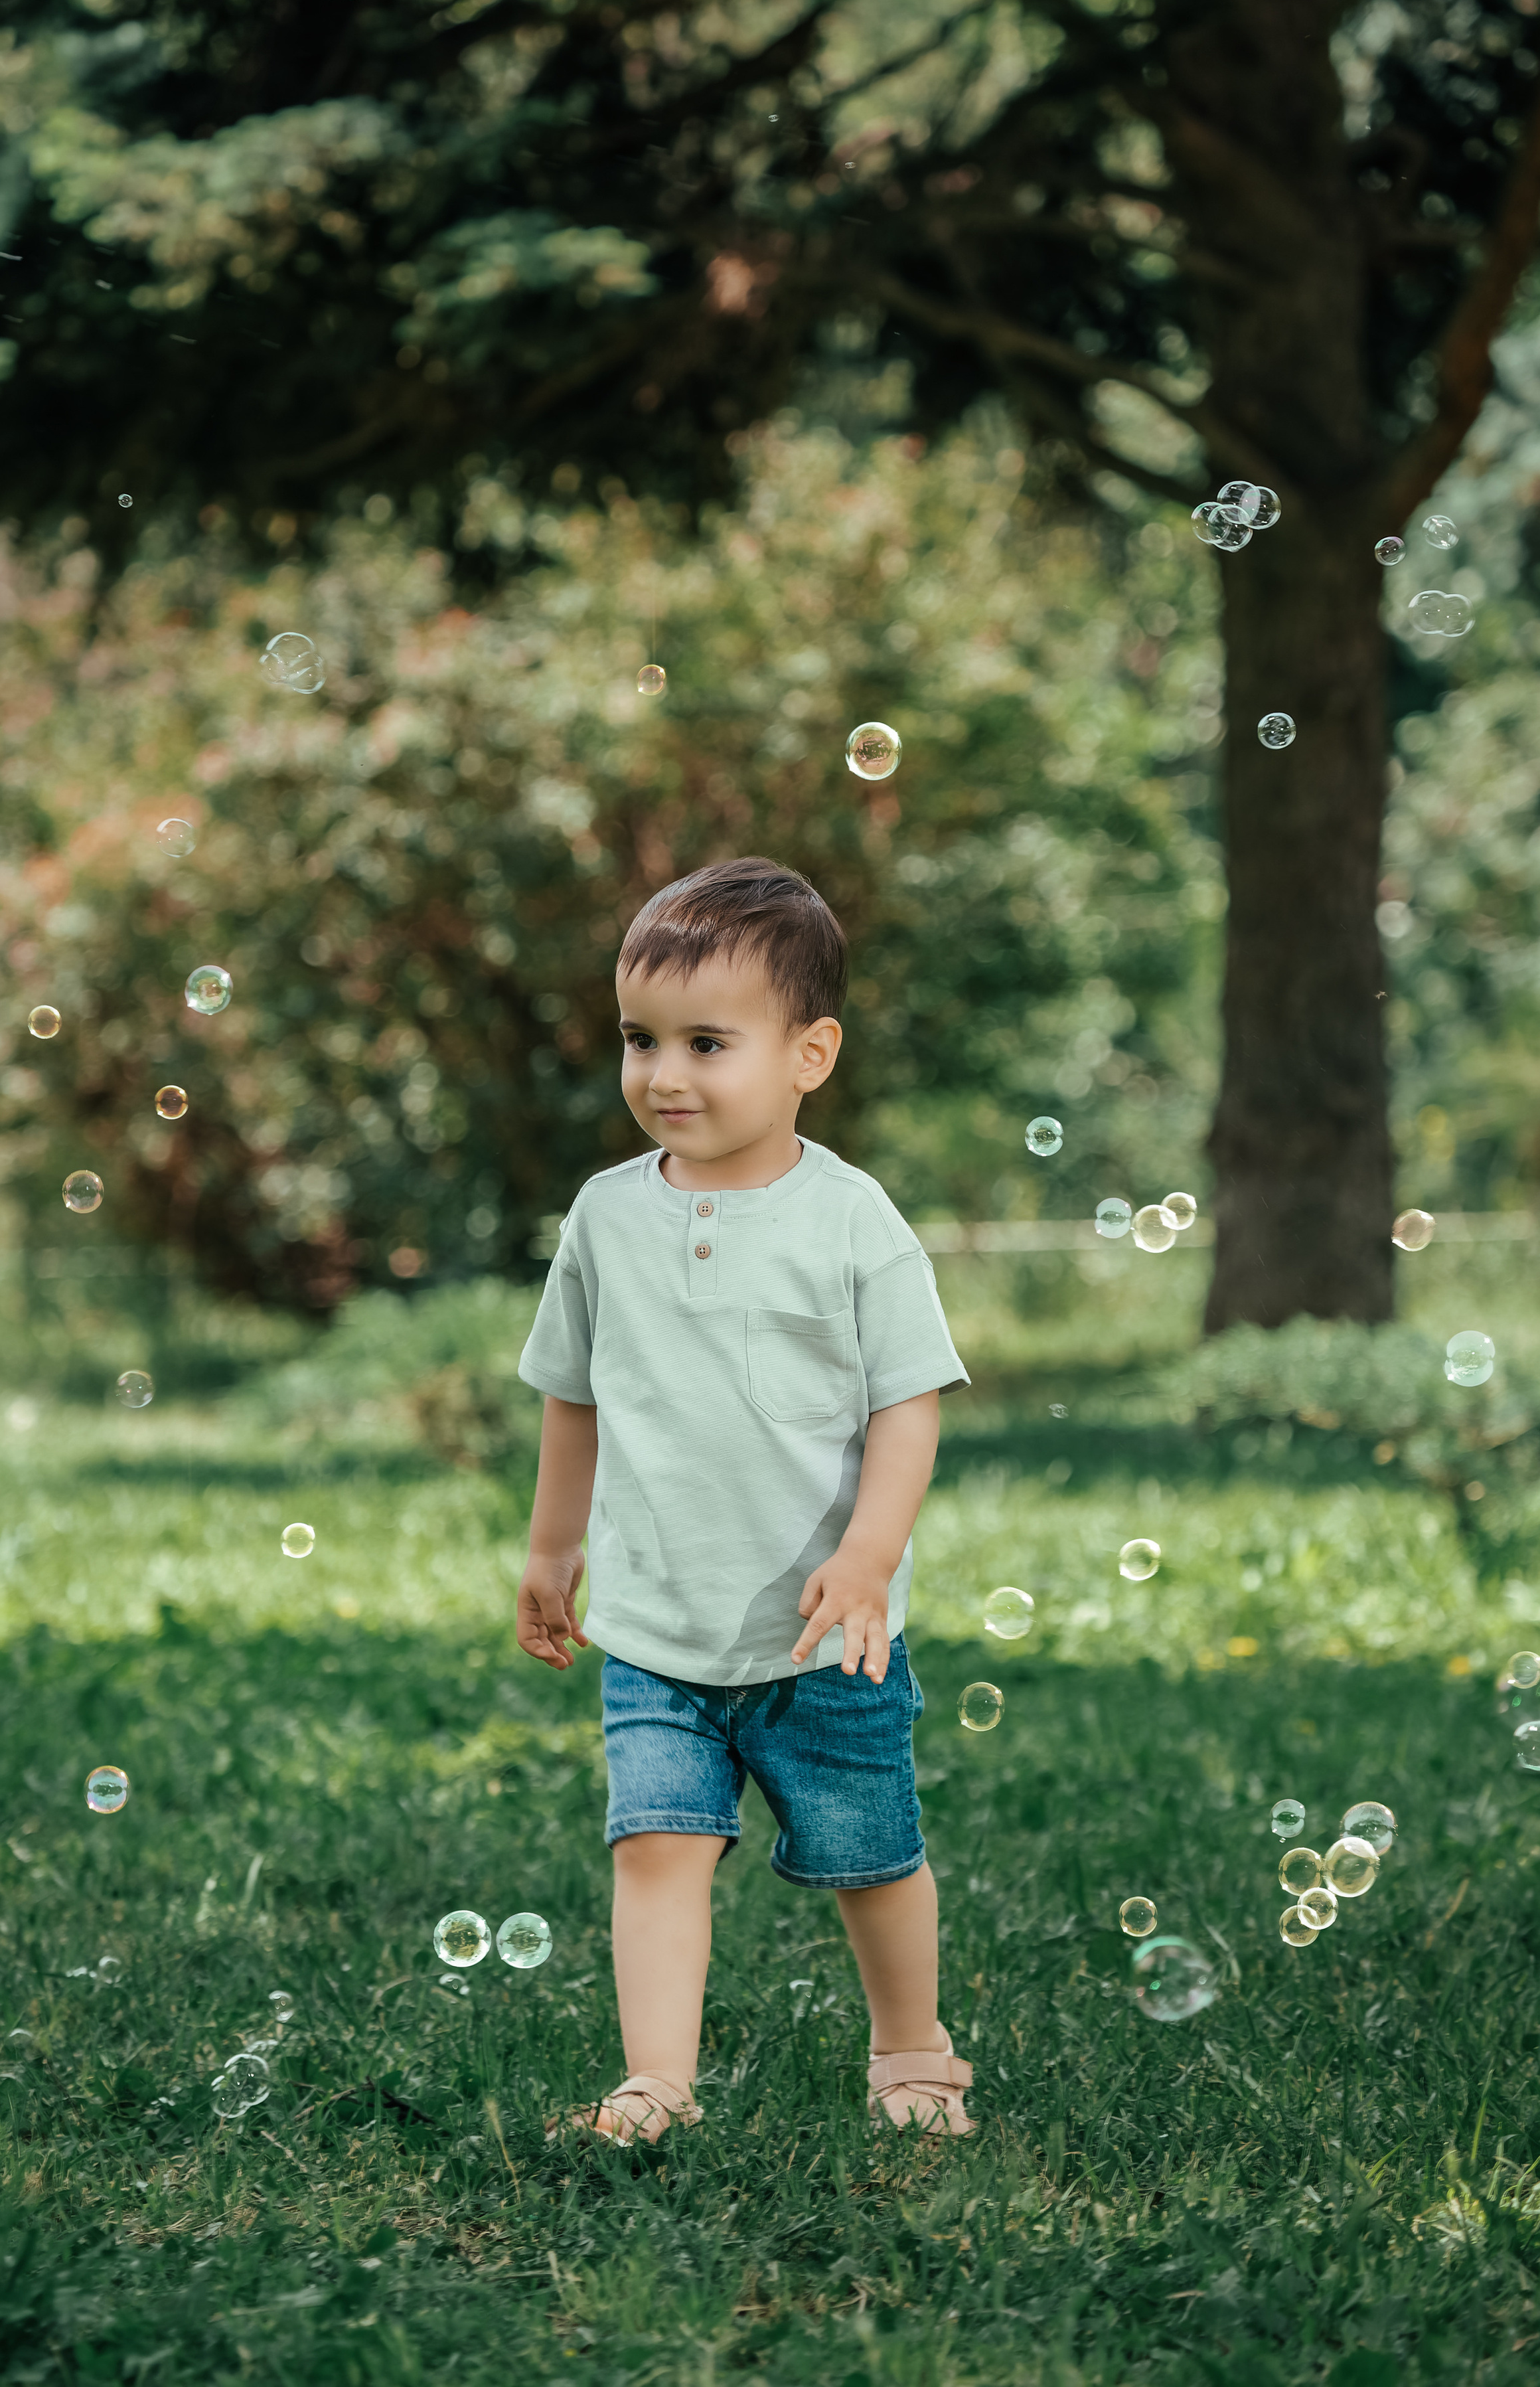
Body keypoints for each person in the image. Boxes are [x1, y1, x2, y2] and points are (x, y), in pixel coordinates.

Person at [514, 856, 976, 2143]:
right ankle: (654, 2080)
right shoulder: (605, 1219)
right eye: (639, 1039)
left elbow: (907, 1402)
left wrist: (871, 1556)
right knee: (653, 1851)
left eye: (705, 1043)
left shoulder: (851, 1222)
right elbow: (572, 1392)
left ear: (807, 1055)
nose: (663, 1073)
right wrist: (554, 1548)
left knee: (868, 1855)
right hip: (656, 1630)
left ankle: (912, 2055)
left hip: (823, 1634)